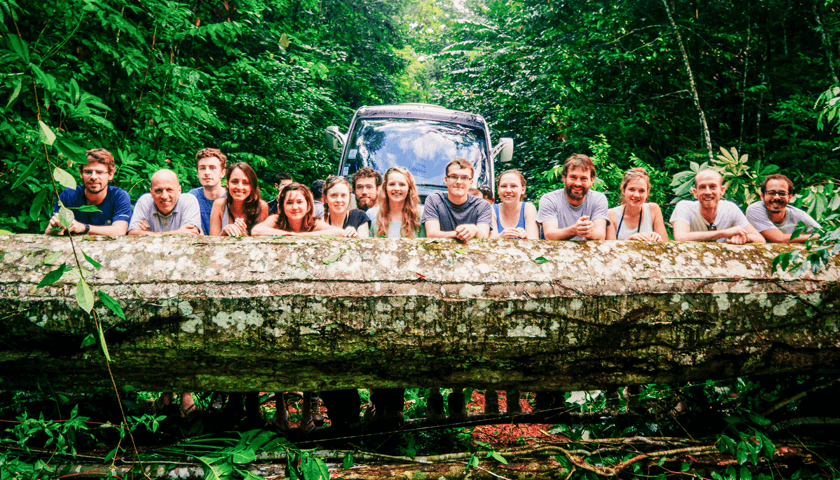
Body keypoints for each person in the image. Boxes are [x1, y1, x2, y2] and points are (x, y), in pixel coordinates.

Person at [46, 148, 132, 236]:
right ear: (81, 173)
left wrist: (83, 228)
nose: (93, 177)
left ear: (110, 174)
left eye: (99, 172)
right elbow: (48, 231)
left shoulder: (119, 196)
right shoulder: (68, 195)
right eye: (88, 172)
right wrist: (57, 226)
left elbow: (120, 230)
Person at [671, 169, 765, 244]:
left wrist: (744, 237)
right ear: (695, 193)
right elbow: (680, 237)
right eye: (702, 187)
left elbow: (760, 239)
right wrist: (724, 233)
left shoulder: (730, 209)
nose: (708, 192)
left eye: (712, 187)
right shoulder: (684, 207)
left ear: (722, 190)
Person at [536, 154, 608, 241]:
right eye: (573, 177)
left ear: (591, 180)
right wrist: (574, 230)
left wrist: (588, 232)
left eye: (583, 178)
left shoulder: (598, 199)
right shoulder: (549, 199)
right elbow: (549, 235)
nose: (578, 183)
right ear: (564, 178)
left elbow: (600, 236)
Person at [422, 158, 492, 240]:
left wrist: (474, 229)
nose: (459, 182)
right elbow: (432, 234)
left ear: (471, 183)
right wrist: (463, 233)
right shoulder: (434, 200)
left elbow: (483, 236)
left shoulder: (483, 205)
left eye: (464, 178)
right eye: (454, 176)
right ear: (446, 180)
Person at [746, 174, 821, 243]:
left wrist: (816, 236)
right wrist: (812, 237)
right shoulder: (755, 210)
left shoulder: (798, 215)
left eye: (782, 193)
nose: (777, 197)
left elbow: (823, 235)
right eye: (771, 193)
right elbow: (779, 238)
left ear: (790, 197)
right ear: (762, 196)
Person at [251, 183, 347, 237]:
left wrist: (302, 236)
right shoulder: (276, 219)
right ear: (282, 206)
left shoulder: (313, 223)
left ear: (308, 206)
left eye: (299, 202)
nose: (295, 207)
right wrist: (289, 234)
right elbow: (256, 230)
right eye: (289, 203)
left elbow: (339, 232)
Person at [128, 169, 202, 235]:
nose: (164, 196)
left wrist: (149, 234)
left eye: (169, 190)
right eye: (158, 191)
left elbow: (191, 234)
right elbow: (132, 234)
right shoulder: (145, 201)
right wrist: (177, 233)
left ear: (179, 190)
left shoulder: (188, 200)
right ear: (151, 192)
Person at [606, 168, 669, 241]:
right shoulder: (611, 214)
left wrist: (657, 238)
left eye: (641, 191)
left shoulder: (653, 209)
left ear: (647, 193)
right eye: (631, 190)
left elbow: (666, 244)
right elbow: (609, 248)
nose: (636, 195)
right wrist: (629, 240)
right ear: (623, 190)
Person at [209, 162, 269, 236]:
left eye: (245, 183)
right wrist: (224, 231)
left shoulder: (261, 206)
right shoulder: (219, 205)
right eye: (235, 182)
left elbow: (262, 244)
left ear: (251, 186)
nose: (240, 187)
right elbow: (212, 243)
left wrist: (240, 233)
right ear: (227, 184)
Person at [367, 166, 425, 238]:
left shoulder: (422, 214)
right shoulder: (372, 214)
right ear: (385, 187)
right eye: (392, 184)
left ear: (409, 189)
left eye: (402, 184)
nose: (396, 188)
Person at [187, 148, 227, 236]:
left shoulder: (231, 197)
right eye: (202, 168)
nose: (207, 172)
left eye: (212, 168)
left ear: (222, 173)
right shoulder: (191, 197)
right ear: (197, 173)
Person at [491, 169, 538, 239]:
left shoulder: (528, 208)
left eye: (513, 186)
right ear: (498, 190)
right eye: (503, 186)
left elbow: (535, 243)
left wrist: (526, 237)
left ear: (523, 190)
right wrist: (500, 237)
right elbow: (488, 243)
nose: (508, 190)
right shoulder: (491, 209)